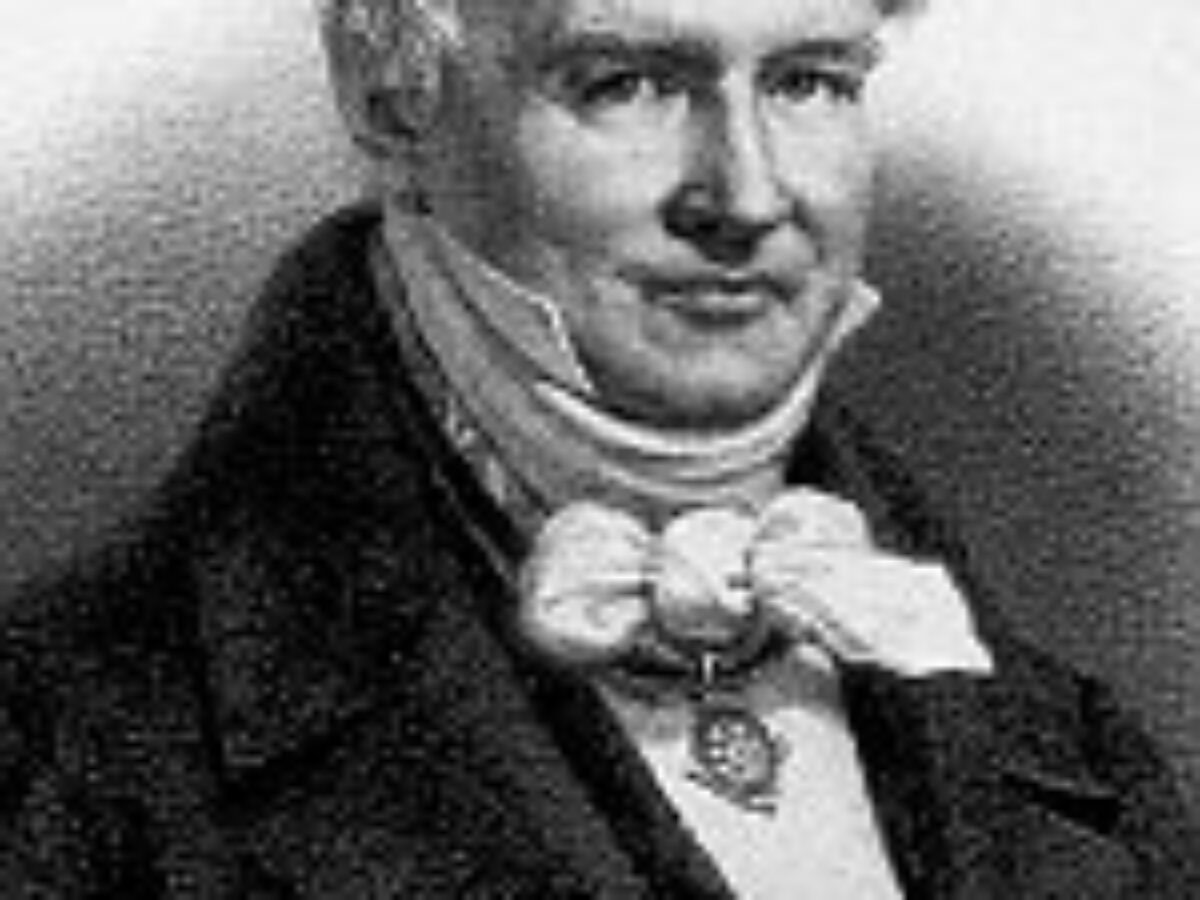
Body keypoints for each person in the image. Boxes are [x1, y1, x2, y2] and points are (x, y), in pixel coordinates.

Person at [0, 0, 1196, 895]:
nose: (746, 194)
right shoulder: (71, 744)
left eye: (810, 81)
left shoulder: (1074, 750)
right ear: (391, 100)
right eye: (627, 84)